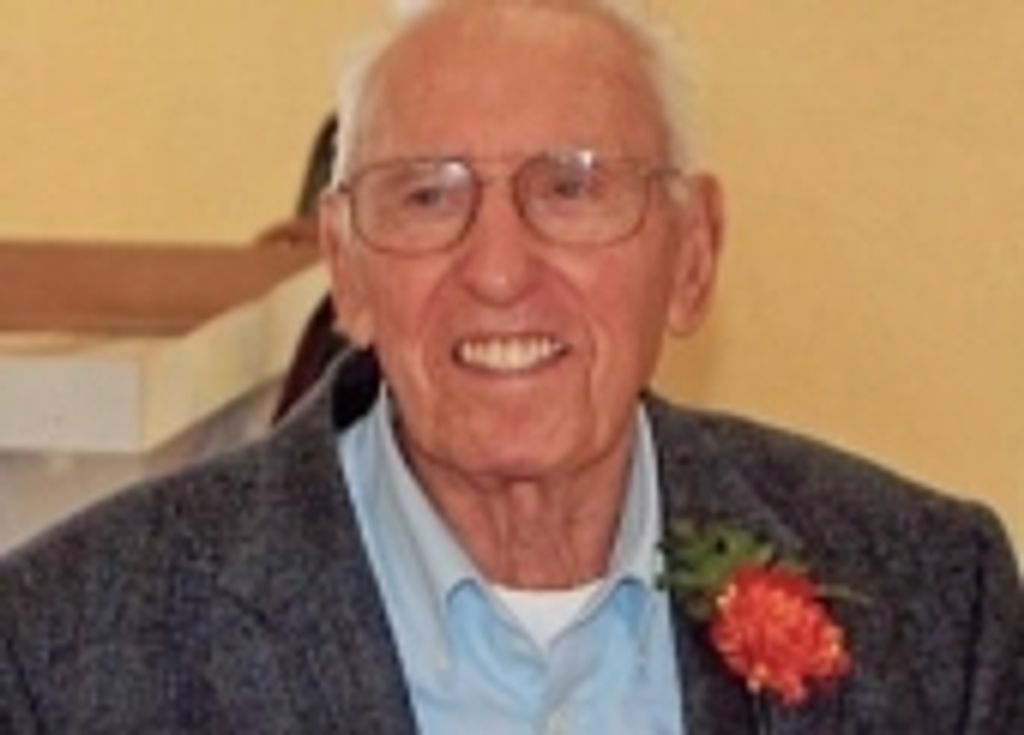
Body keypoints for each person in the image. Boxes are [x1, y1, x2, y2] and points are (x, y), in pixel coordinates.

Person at [2, 1, 1021, 732]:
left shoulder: (935, 605)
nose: (496, 270)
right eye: (428, 196)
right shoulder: (66, 649)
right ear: (346, 270)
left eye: (572, 188)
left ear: (693, 255)